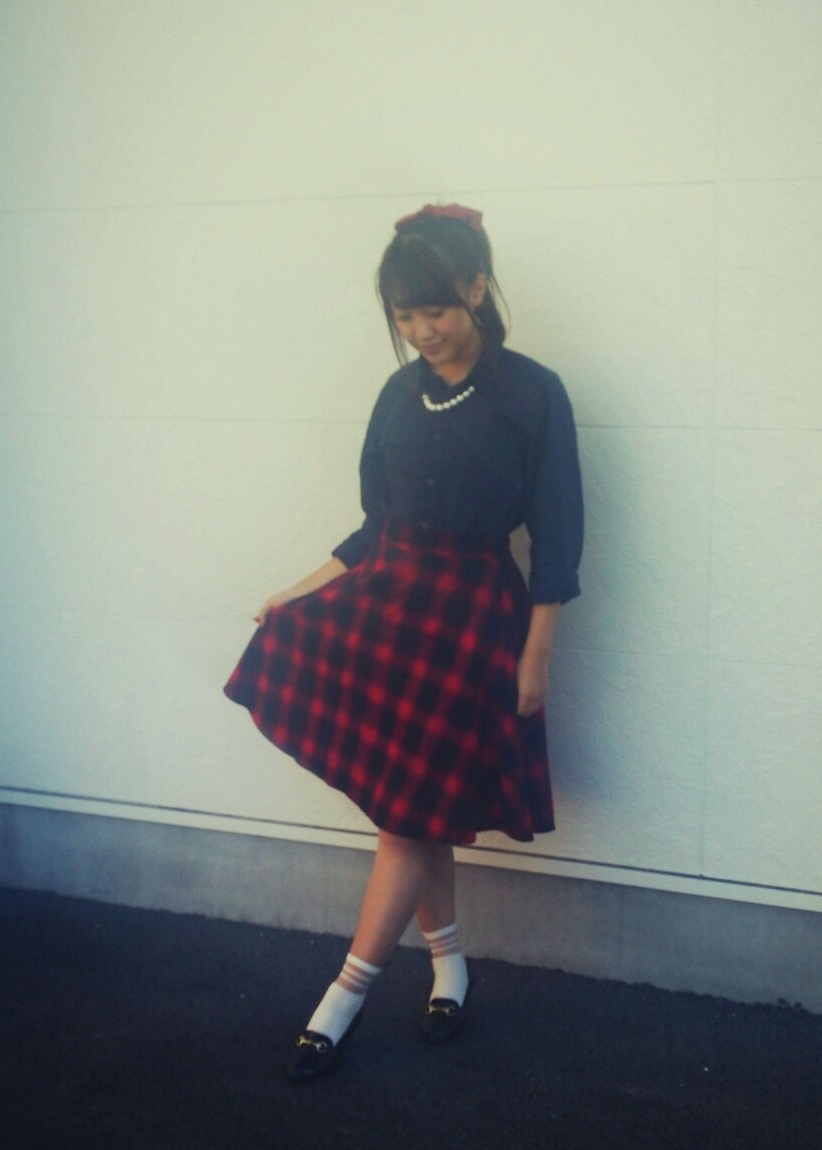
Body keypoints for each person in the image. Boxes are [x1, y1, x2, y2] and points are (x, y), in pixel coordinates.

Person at [224, 203, 583, 1079]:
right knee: (417, 814)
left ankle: (343, 998)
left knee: (407, 818)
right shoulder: (397, 392)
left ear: (476, 289)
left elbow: (558, 534)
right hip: (392, 611)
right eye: (404, 314)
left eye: (437, 309)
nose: (422, 330)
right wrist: (299, 592)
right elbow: (374, 526)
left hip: (473, 625)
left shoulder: (532, 392)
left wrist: (535, 653)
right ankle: (450, 970)